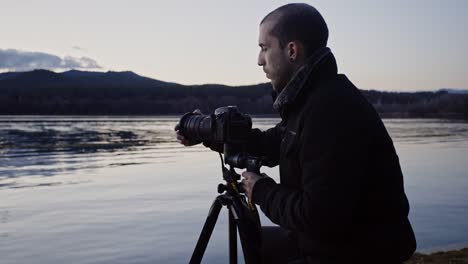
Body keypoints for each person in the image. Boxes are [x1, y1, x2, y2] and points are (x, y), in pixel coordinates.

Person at [177, 3, 416, 264]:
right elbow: (270, 145)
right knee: (256, 239)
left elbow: (319, 217)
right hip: (339, 241)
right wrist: (211, 133)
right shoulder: (311, 100)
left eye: (264, 48)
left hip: (357, 251)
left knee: (258, 243)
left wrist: (261, 190)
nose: (259, 60)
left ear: (292, 50)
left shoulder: (330, 110)